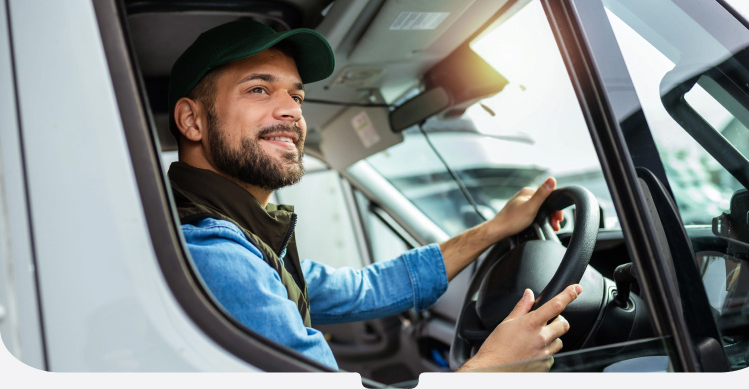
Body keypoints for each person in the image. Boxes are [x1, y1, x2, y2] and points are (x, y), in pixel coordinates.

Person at [166, 19, 582, 372]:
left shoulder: (246, 241)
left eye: (295, 96)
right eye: (259, 89)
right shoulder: (216, 255)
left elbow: (367, 288)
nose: (292, 110)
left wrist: (494, 229)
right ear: (192, 120)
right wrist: (490, 369)